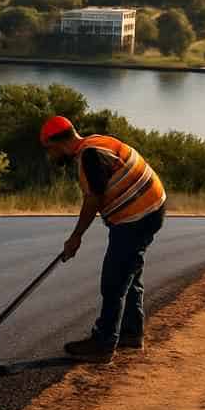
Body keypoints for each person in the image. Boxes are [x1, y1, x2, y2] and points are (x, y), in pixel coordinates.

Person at [40, 115, 167, 363]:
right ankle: (131, 332)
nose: (51, 156)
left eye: (49, 150)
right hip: (151, 208)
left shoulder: (88, 155)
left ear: (56, 143)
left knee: (114, 280)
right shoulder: (96, 142)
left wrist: (76, 237)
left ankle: (104, 343)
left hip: (137, 216)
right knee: (129, 272)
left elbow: (93, 199)